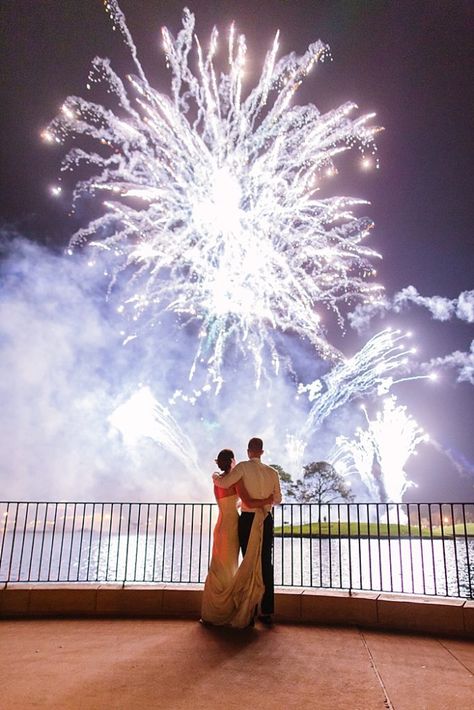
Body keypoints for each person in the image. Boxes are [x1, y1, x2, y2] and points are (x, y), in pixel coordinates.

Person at [213, 437, 282, 627]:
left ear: (248, 451)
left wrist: (216, 477)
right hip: (266, 519)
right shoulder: (273, 472)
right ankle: (267, 611)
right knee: (265, 563)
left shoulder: (242, 467)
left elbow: (226, 483)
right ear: (262, 452)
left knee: (248, 563)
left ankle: (248, 610)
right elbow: (277, 499)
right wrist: (266, 500)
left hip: (248, 519)